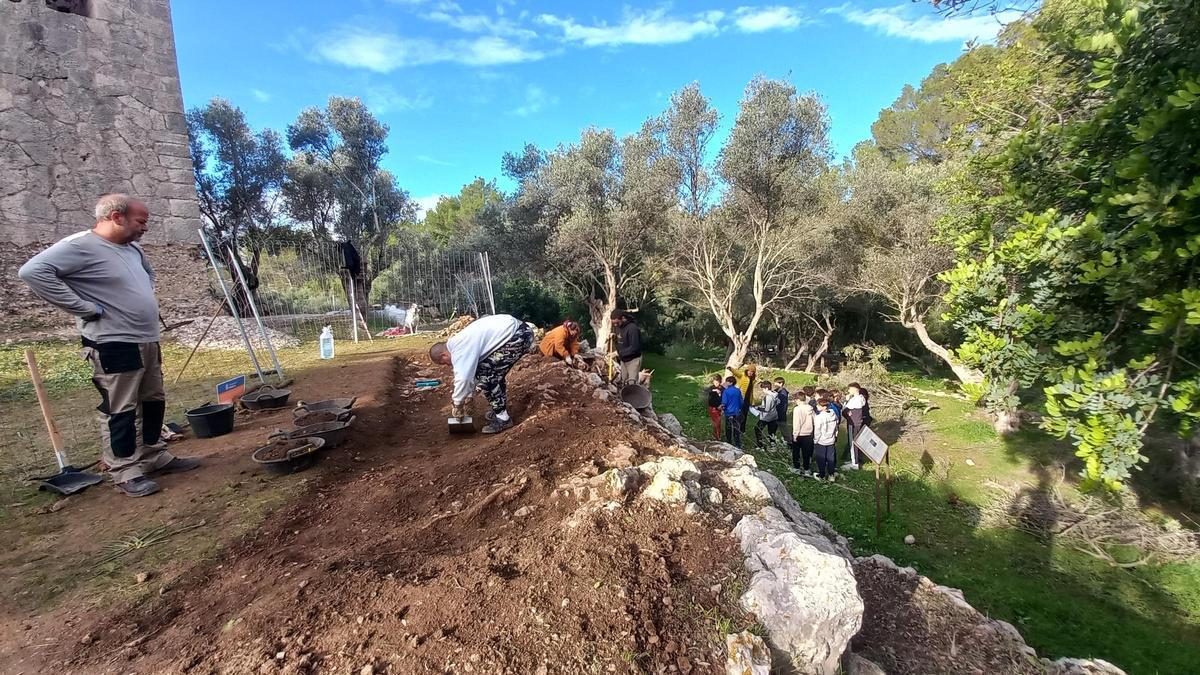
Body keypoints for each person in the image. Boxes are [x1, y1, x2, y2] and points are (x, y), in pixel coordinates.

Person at [18, 194, 200, 497]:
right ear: (116, 217)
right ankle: (125, 470)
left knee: (153, 400)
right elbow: (32, 272)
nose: (145, 227)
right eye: (141, 221)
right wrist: (84, 308)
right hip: (112, 342)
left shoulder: (133, 249)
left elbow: (148, 275)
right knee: (121, 407)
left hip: (146, 337)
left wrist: (142, 298)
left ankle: (153, 455)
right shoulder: (79, 246)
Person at [429, 313, 533, 434]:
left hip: (517, 336)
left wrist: (457, 403)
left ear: (444, 355)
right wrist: (468, 396)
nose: (449, 365)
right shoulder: (458, 342)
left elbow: (464, 378)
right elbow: (471, 371)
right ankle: (500, 410)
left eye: (445, 363)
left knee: (486, 377)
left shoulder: (458, 350)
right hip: (518, 331)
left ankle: (503, 419)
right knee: (489, 372)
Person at [727, 364, 758, 442]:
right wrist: (731, 369)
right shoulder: (743, 376)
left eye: (752, 372)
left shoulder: (753, 380)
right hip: (740, 399)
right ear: (746, 371)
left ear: (754, 373)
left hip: (747, 400)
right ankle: (736, 428)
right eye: (749, 371)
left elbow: (751, 392)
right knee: (738, 414)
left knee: (745, 415)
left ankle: (742, 430)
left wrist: (752, 402)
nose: (750, 372)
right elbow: (737, 373)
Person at [611, 310, 642, 385]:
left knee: (632, 383)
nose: (615, 325)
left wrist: (618, 353)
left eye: (617, 323)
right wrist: (613, 337)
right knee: (624, 382)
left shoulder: (632, 328)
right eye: (613, 323)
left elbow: (635, 347)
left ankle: (634, 392)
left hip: (633, 360)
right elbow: (620, 340)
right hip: (623, 360)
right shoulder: (617, 327)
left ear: (623, 318)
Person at [813, 398, 839, 481]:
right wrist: (835, 435)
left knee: (821, 458)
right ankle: (831, 475)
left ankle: (822, 475)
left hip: (821, 441)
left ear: (824, 407)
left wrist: (815, 440)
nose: (817, 406)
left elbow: (817, 431)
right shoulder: (833, 414)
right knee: (831, 458)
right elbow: (836, 426)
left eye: (819, 405)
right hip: (831, 440)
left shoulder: (819, 417)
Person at [790, 388, 815, 476]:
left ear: (797, 400)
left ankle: (796, 468)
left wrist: (795, 435)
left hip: (799, 434)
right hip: (809, 433)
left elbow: (797, 423)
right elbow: (814, 420)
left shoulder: (797, 409)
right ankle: (807, 469)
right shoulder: (810, 408)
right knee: (806, 453)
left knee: (796, 452)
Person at [843, 382, 867, 469]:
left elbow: (845, 408)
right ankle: (854, 459)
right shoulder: (861, 398)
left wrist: (846, 400)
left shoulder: (855, 400)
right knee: (856, 441)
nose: (849, 390)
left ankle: (854, 463)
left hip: (853, 423)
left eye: (850, 389)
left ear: (855, 389)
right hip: (858, 422)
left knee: (852, 442)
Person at [751, 380, 780, 446]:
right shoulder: (775, 394)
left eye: (763, 389)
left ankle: (760, 445)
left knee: (757, 429)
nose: (762, 391)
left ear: (766, 388)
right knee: (772, 433)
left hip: (766, 417)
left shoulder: (768, 397)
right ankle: (773, 446)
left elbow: (767, 409)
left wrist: (757, 408)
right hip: (774, 416)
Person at [719, 376, 744, 448]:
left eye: (727, 381)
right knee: (736, 429)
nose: (725, 383)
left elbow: (724, 402)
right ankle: (738, 445)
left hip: (729, 413)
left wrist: (721, 408)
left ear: (731, 382)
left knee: (728, 428)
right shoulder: (738, 390)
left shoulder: (726, 391)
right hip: (737, 412)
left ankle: (729, 443)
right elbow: (741, 402)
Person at [706, 375, 724, 441]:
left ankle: (717, 436)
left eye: (717, 382)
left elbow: (724, 398)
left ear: (720, 382)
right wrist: (715, 390)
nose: (716, 383)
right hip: (712, 408)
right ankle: (717, 436)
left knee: (718, 423)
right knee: (716, 422)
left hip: (719, 408)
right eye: (715, 382)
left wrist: (722, 406)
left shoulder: (722, 389)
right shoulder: (711, 388)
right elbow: (709, 391)